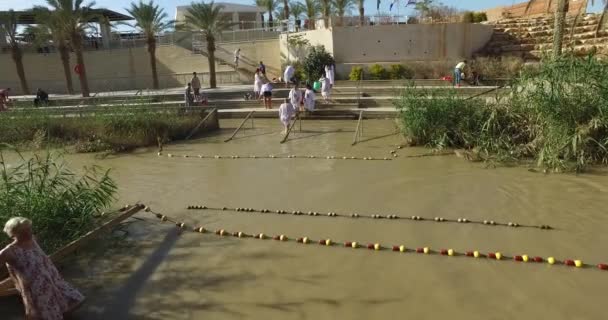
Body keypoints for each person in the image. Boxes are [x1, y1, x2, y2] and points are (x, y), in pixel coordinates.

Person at [0, 217, 85, 319]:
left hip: (52, 279)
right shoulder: (8, 252)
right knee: (42, 314)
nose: (29, 232)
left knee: (75, 301)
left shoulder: (33, 239)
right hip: (35, 288)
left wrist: (54, 274)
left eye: (29, 229)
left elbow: (41, 259)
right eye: (24, 231)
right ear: (14, 233)